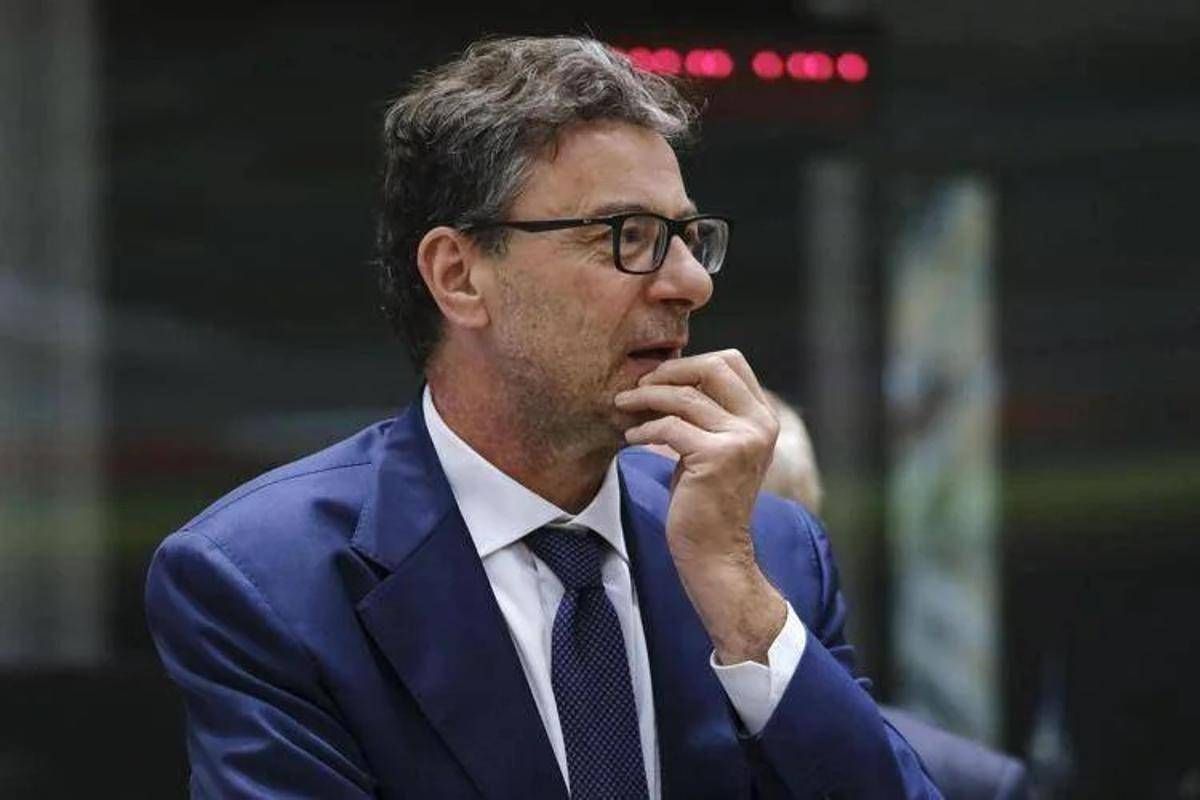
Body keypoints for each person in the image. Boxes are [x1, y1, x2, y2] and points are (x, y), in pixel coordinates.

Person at [145, 35, 941, 799]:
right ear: (459, 276)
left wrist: (738, 600)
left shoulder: (765, 551)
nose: (691, 283)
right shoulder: (270, 580)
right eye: (628, 236)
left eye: (688, 237)